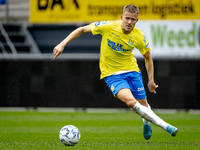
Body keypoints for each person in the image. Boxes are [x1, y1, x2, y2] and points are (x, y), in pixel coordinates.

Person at [53, 4, 178, 140]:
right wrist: (62, 43)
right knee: (131, 102)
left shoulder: (139, 37)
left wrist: (151, 81)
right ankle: (166, 126)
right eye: (127, 18)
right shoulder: (108, 26)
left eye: (133, 19)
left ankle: (146, 122)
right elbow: (82, 29)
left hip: (132, 71)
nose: (129, 22)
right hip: (112, 74)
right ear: (121, 17)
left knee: (143, 104)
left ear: (137, 20)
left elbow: (148, 57)